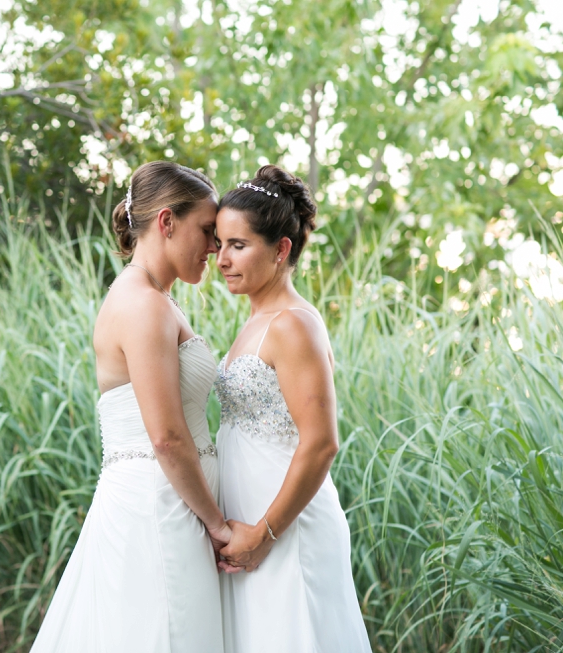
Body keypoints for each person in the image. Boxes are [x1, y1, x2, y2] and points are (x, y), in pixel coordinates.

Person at [30, 161, 230, 652]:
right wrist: (218, 524)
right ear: (166, 222)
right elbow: (165, 435)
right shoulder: (144, 305)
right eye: (207, 230)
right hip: (159, 510)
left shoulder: (153, 298)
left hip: (167, 502)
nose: (215, 247)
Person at [214, 164, 372, 652]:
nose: (221, 259)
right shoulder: (258, 319)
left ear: (281, 249)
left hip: (286, 528)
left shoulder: (292, 324)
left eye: (238, 245)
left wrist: (265, 533)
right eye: (219, 243)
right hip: (253, 523)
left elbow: (322, 442)